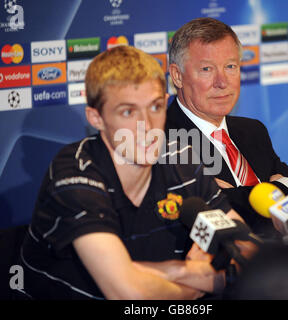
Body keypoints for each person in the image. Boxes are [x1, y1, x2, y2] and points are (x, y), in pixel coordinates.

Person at [17, 45, 256, 300]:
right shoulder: (74, 172)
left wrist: (153, 274)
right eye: (128, 112)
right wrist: (194, 274)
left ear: (166, 103)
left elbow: (248, 252)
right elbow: (126, 293)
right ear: (96, 118)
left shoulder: (181, 157)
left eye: (154, 107)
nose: (147, 126)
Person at [166, 17, 288, 233]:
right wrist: (287, 190)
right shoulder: (165, 142)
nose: (222, 82)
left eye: (230, 66)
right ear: (177, 76)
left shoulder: (252, 131)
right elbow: (220, 227)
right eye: (207, 69)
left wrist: (243, 195)